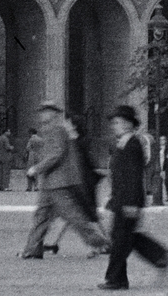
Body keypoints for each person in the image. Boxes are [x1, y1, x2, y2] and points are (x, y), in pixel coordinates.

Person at [20, 102, 109, 259]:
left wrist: (37, 168)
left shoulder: (57, 130)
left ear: (53, 114)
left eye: (46, 111)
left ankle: (101, 243)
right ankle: (32, 249)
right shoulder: (47, 131)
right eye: (41, 111)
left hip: (59, 183)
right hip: (50, 183)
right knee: (41, 216)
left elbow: (56, 154)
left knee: (73, 217)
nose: (42, 114)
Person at [99, 105, 168, 290]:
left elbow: (132, 176)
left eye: (119, 122)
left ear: (128, 125)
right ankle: (160, 257)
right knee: (125, 238)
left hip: (129, 201)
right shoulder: (122, 144)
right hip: (122, 200)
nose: (115, 126)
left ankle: (116, 278)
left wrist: (131, 202)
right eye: (114, 122)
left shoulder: (132, 144)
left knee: (121, 240)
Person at [43, 111, 105, 256]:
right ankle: (54, 243)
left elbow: (86, 162)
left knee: (86, 215)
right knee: (72, 214)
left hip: (83, 183)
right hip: (74, 182)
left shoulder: (79, 141)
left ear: (73, 125)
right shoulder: (70, 140)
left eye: (67, 121)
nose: (64, 124)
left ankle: (100, 244)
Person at [0, 128, 14, 192]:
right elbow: (7, 147)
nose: (10, 133)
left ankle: (0, 186)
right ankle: (6, 187)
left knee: (1, 173)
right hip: (6, 157)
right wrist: (11, 147)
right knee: (6, 172)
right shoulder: (5, 138)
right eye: (9, 131)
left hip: (0, 157)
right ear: (5, 132)